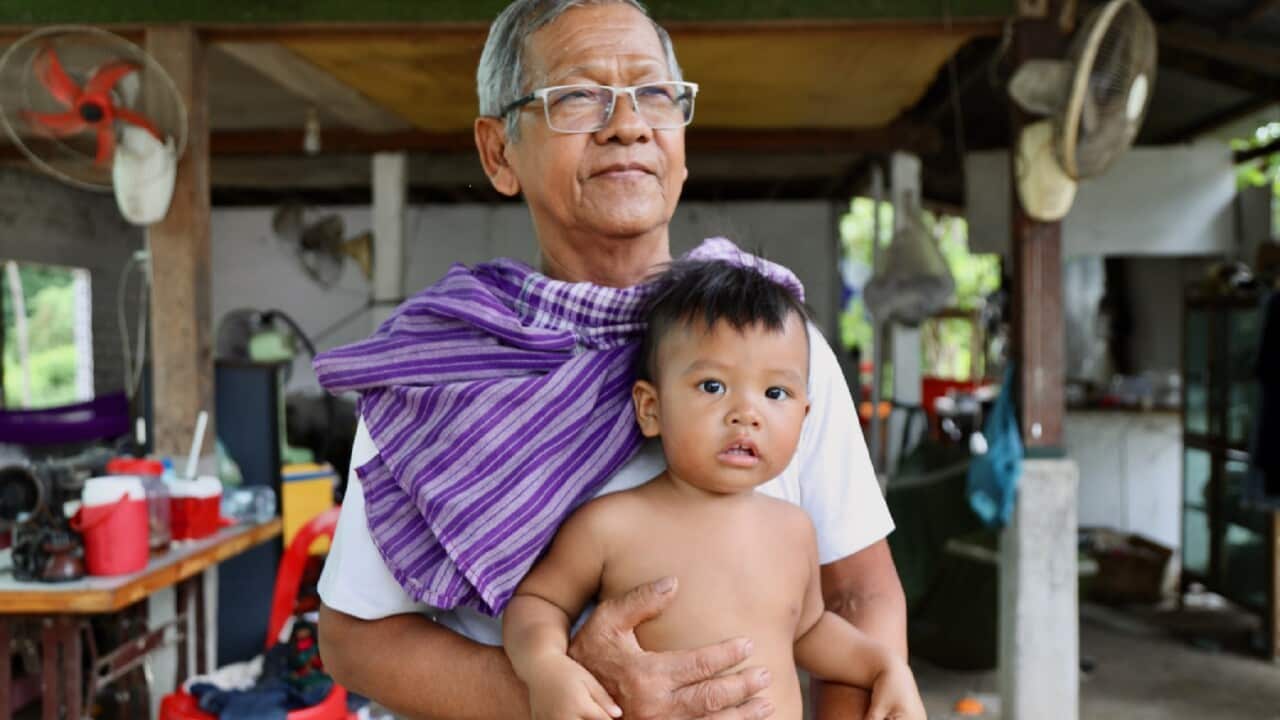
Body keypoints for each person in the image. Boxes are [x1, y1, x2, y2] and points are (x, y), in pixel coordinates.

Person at [314, 2, 907, 718]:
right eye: (576, 97)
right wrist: (569, 697)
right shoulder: (439, 372)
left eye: (654, 94)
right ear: (499, 153)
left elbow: (855, 593)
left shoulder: (778, 354)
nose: (628, 124)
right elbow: (354, 638)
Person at [503, 258, 925, 720]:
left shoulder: (794, 530)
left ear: (804, 419)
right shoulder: (612, 525)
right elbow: (538, 603)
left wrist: (885, 665)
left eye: (775, 393)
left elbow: (806, 632)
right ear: (650, 408)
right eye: (712, 385)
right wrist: (544, 666)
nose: (746, 413)